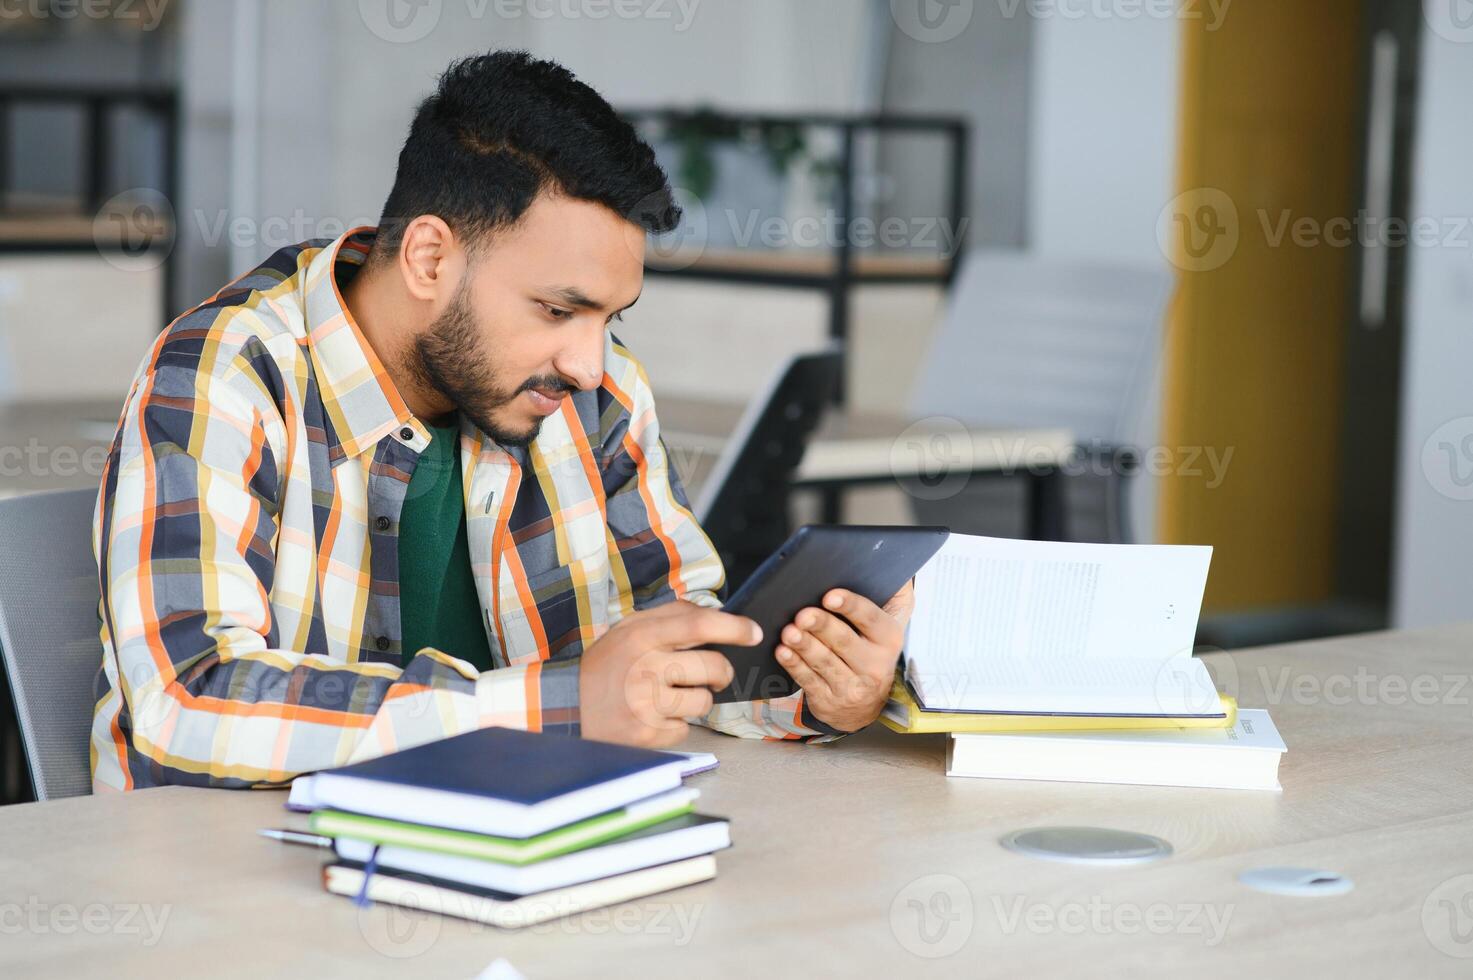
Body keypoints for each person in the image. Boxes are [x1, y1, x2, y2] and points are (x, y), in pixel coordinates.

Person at [90, 51, 912, 791]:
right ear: (428, 258)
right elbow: (186, 702)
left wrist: (816, 690)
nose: (590, 362)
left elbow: (668, 673)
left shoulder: (598, 393)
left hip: (514, 873)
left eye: (610, 317)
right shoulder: (225, 373)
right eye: (559, 308)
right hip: (240, 907)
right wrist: (553, 706)